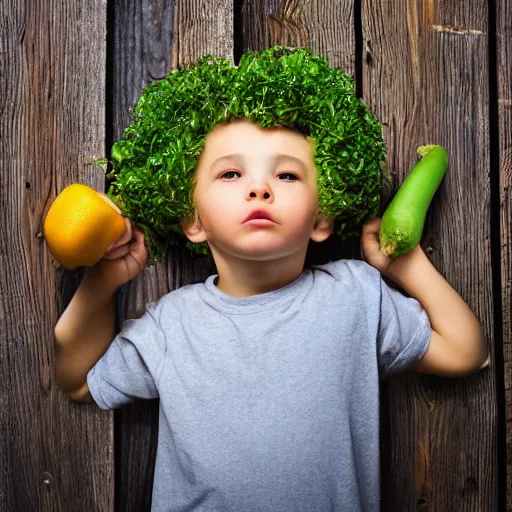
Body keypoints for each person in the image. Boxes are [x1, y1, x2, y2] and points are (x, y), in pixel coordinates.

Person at [54, 116, 488, 512]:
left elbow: (466, 352)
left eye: (286, 174)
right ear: (194, 220)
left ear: (321, 217)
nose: (260, 188)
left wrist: (401, 262)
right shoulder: (174, 324)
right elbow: (78, 381)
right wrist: (103, 282)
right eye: (230, 173)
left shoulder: (356, 295)